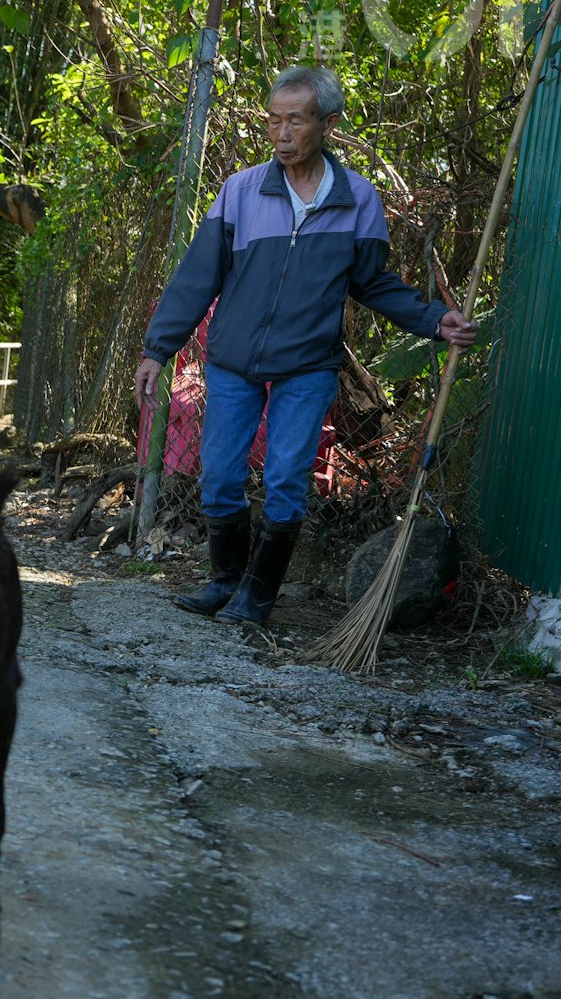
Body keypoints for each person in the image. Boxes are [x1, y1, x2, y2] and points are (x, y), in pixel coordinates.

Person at [137, 66, 478, 624]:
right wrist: (158, 349)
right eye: (273, 120)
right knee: (220, 474)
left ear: (329, 123)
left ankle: (260, 593)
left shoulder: (358, 200)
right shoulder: (241, 191)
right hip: (233, 362)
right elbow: (198, 276)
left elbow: (373, 283)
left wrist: (435, 320)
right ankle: (225, 579)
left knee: (286, 479)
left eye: (295, 119)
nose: (281, 131)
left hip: (308, 366)